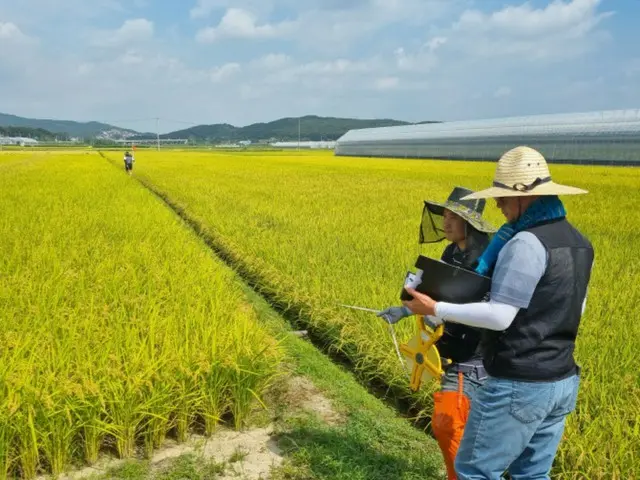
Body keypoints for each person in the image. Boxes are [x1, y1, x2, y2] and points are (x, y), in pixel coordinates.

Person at [402, 146, 594, 480]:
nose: (498, 205)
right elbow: (578, 308)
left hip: (520, 380)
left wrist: (435, 308)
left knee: (474, 470)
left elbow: (501, 316)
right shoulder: (579, 242)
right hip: (562, 380)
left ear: (525, 197)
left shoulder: (523, 243)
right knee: (532, 475)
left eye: (502, 198)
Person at [378, 186, 496, 480]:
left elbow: (487, 311)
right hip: (448, 347)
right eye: (444, 215)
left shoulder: (488, 261)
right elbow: (437, 296)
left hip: (475, 356)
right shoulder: (450, 251)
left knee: (450, 424)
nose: (446, 223)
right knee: (455, 425)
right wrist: (404, 309)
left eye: (453, 217)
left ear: (469, 223)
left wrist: (441, 312)